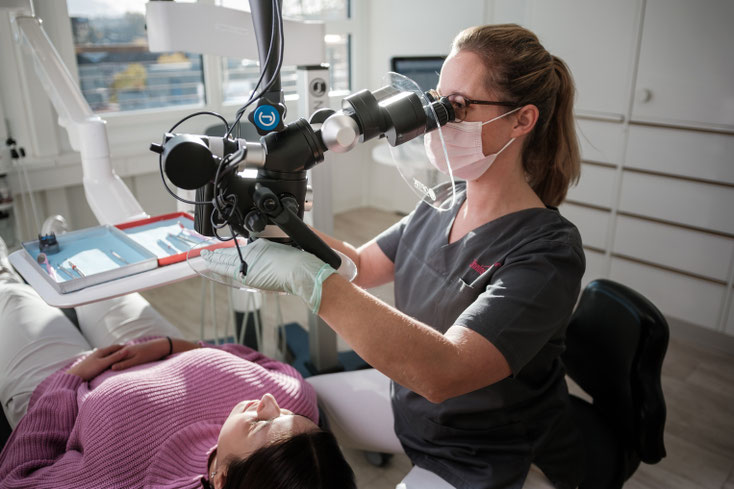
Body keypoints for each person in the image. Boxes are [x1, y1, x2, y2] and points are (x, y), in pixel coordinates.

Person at [203, 23, 586, 489]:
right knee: (299, 401)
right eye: (438, 99)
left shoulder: (547, 253)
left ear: (521, 120)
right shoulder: (445, 198)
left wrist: (311, 282)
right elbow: (359, 267)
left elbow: (445, 372)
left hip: (477, 449)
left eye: (458, 105)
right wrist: (274, 223)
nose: (437, 118)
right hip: (409, 406)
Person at [0, 237, 356, 489]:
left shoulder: (125, 478)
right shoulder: (297, 418)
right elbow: (264, 365)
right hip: (159, 347)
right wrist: (178, 345)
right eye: (292, 419)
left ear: (222, 480)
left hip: (67, 379)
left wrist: (67, 381)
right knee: (89, 268)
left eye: (260, 425)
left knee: (10, 294)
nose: (269, 403)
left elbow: (19, 478)